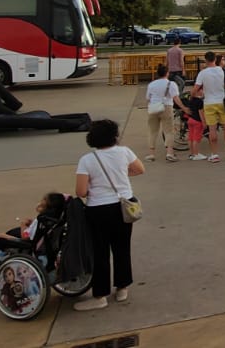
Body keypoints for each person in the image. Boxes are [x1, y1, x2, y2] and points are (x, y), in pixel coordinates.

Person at [73, 119, 144, 310]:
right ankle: (122, 288)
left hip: (98, 210)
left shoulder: (87, 160)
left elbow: (81, 191)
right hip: (123, 207)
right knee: (122, 248)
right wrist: (120, 175)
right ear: (114, 136)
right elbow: (140, 169)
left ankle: (100, 295)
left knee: (100, 252)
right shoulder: (124, 152)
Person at [191, 52, 225, 163]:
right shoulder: (223, 70)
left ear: (206, 60)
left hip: (208, 103)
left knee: (212, 130)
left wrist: (193, 95)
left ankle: (214, 154)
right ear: (215, 59)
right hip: (222, 102)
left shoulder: (202, 73)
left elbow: (196, 88)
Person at [145, 64, 180, 162]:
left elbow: (148, 98)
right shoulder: (171, 84)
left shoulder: (151, 84)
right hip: (166, 107)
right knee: (169, 131)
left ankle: (151, 154)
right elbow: (176, 98)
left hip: (153, 108)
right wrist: (183, 107)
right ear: (167, 73)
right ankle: (169, 153)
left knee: (152, 131)